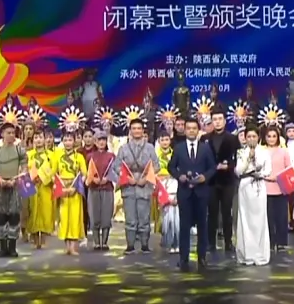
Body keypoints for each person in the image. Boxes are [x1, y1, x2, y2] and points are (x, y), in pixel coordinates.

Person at [168, 117, 217, 272]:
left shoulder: (205, 148)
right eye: (188, 128)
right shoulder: (179, 148)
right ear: (185, 130)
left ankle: (202, 257)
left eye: (194, 128)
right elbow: (171, 167)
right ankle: (183, 258)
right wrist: (179, 176)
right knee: (184, 226)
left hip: (201, 193)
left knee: (202, 226)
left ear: (198, 130)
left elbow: (212, 168)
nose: (191, 131)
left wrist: (205, 177)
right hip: (185, 192)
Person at [0, 111, 28, 258]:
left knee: (14, 217)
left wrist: (14, 180)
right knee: (1, 218)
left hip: (15, 187)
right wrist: (0, 181)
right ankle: (2, 248)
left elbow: (24, 169)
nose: (11, 135)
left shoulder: (20, 151)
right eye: (8, 133)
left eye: (13, 133)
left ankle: (12, 248)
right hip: (0, 188)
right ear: (2, 134)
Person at [117, 118, 159, 253]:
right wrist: (127, 178)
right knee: (130, 218)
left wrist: (146, 179)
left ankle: (145, 244)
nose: (136, 131)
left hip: (144, 187)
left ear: (143, 130)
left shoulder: (150, 148)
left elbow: (156, 166)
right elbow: (116, 167)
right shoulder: (123, 149)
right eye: (134, 128)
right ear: (130, 131)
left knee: (144, 217)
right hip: (128, 187)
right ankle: (130, 245)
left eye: (139, 128)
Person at [203, 109, 240, 255]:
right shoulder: (205, 139)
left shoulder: (232, 139)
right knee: (211, 212)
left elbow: (238, 158)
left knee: (226, 212)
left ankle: (228, 242)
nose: (217, 122)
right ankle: (210, 243)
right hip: (211, 181)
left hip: (227, 180)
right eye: (215, 119)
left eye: (220, 119)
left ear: (225, 121)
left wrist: (229, 166)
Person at [234, 126, 271, 265]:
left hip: (259, 186)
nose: (251, 139)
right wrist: (248, 159)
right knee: (245, 220)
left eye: (254, 136)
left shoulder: (264, 152)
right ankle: (247, 254)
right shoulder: (241, 152)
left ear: (258, 137)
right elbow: (238, 171)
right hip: (245, 186)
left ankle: (260, 254)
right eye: (248, 136)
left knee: (260, 220)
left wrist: (259, 174)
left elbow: (268, 170)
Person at [56, 130, 88, 255]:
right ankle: (67, 246)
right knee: (64, 218)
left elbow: (84, 174)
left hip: (75, 190)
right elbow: (53, 173)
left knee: (75, 217)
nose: (68, 142)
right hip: (63, 190)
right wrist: (60, 187)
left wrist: (76, 187)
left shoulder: (79, 157)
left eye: (70, 140)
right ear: (62, 142)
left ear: (74, 141)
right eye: (65, 140)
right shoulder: (57, 156)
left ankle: (73, 246)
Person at [262, 125, 292, 252]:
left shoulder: (284, 152)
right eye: (269, 136)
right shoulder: (261, 151)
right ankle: (269, 242)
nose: (271, 139)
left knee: (281, 217)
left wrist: (277, 177)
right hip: (265, 188)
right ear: (265, 138)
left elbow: (289, 169)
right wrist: (267, 177)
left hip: (280, 188)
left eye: (274, 136)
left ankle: (281, 242)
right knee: (268, 217)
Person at [86, 130, 116, 250]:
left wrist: (107, 178)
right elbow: (86, 172)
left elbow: (115, 171)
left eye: (103, 140)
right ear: (95, 142)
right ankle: (96, 242)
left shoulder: (111, 156)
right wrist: (93, 179)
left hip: (107, 189)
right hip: (93, 189)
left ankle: (105, 242)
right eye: (99, 140)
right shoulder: (90, 157)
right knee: (94, 215)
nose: (101, 142)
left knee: (106, 215)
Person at [26, 131, 55, 249]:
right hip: (32, 186)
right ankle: (34, 238)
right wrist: (31, 178)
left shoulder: (51, 155)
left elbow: (54, 170)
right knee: (32, 210)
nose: (38, 140)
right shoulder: (29, 155)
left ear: (44, 139)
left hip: (46, 186)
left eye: (40, 137)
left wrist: (45, 178)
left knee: (45, 211)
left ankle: (43, 238)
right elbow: (25, 169)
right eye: (36, 137)